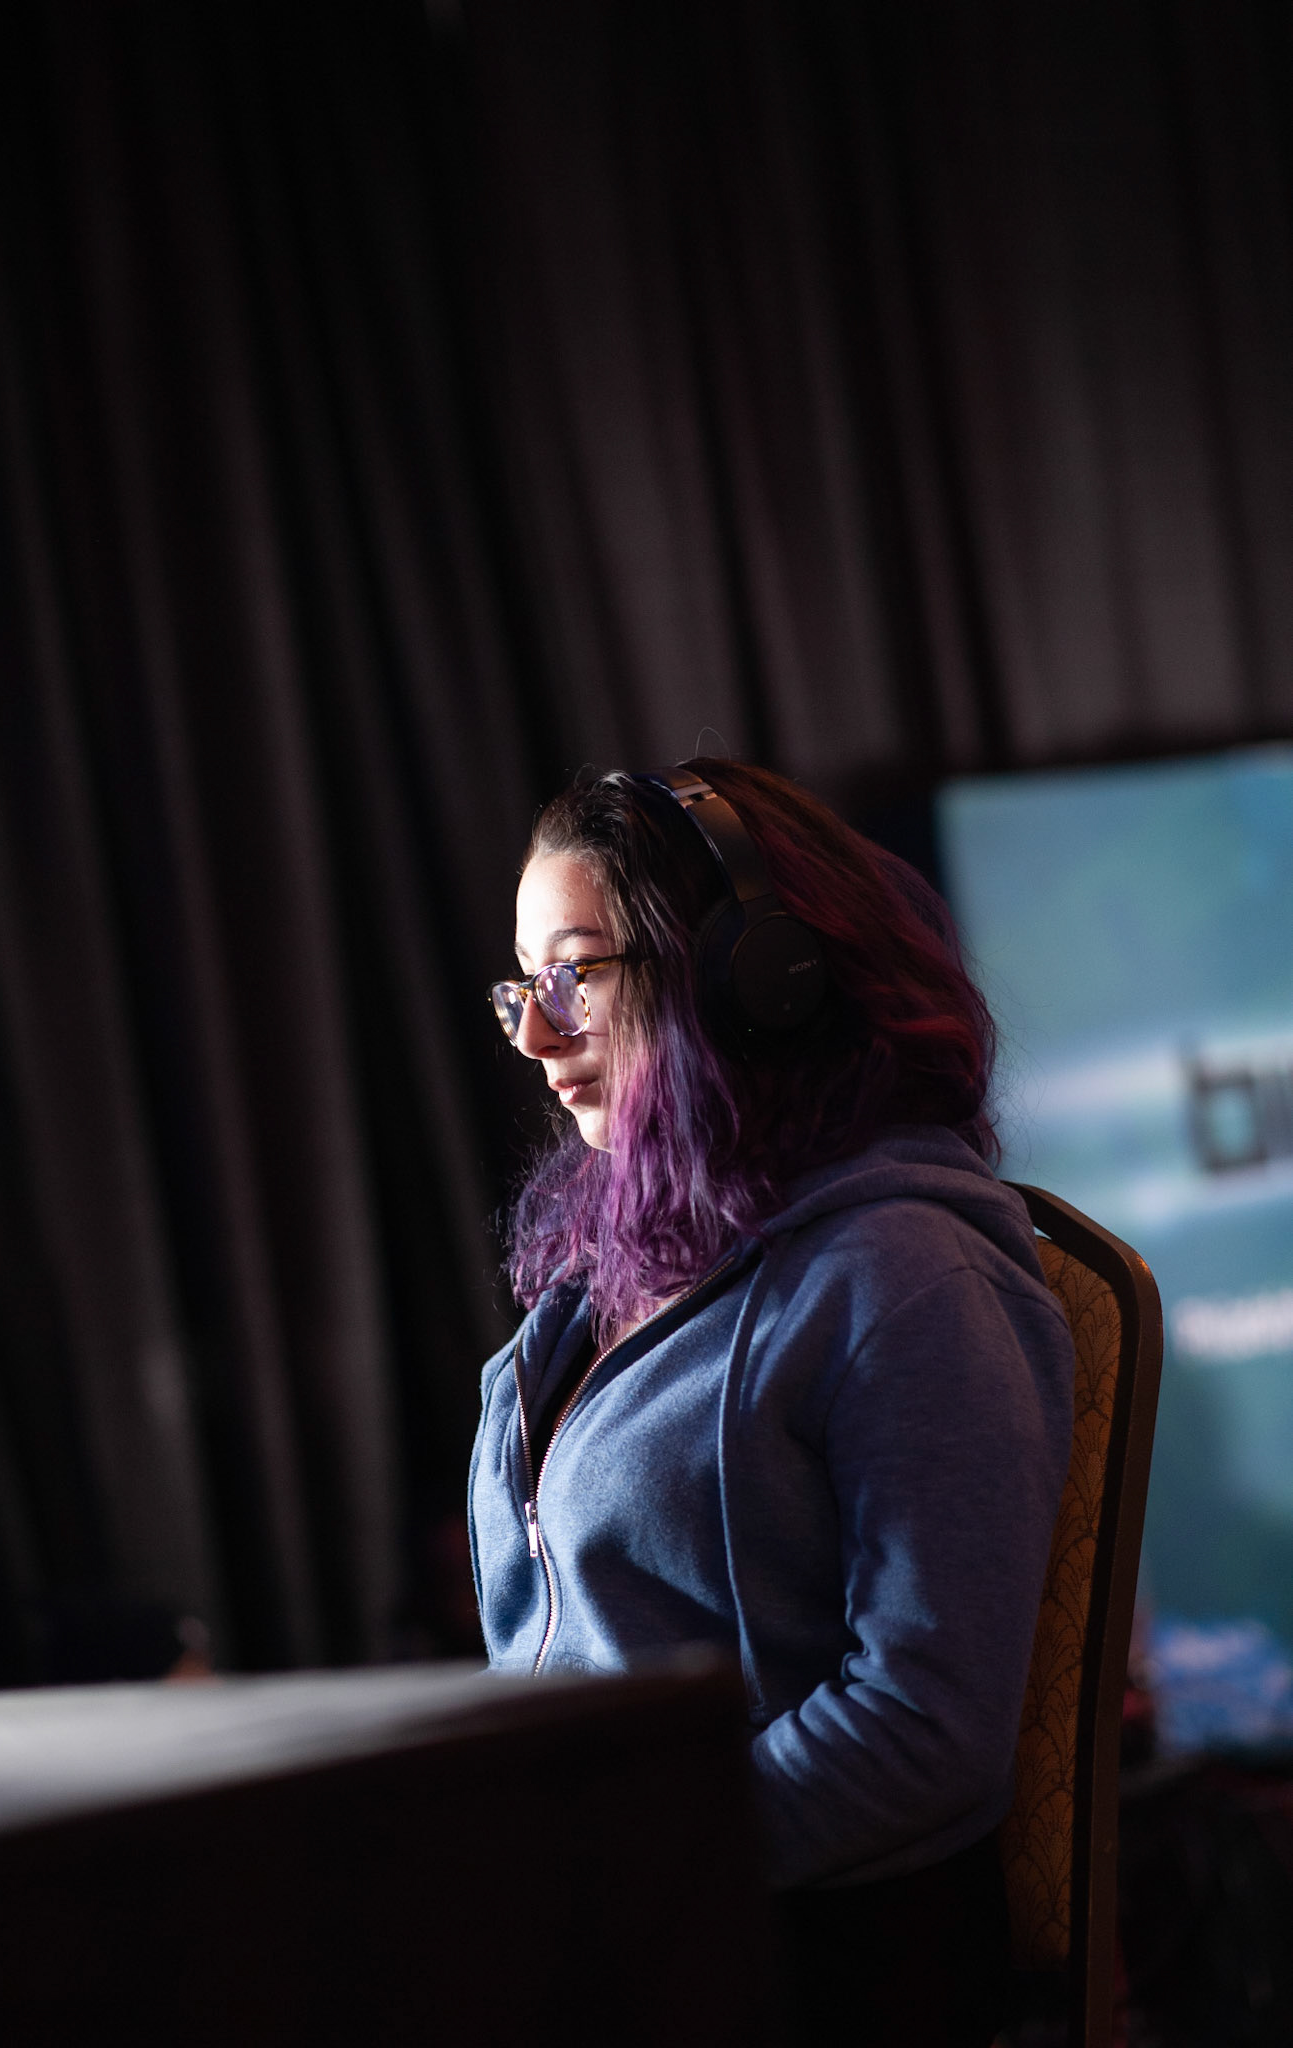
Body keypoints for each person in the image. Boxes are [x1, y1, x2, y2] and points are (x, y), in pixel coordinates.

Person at [467, 759, 1075, 2046]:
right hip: (630, 1936)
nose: (534, 1033)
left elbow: (924, 1726)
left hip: (810, 1965)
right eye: (523, 986)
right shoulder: (605, 1278)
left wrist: (625, 1869)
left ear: (753, 972)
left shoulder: (905, 1275)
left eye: (576, 974)